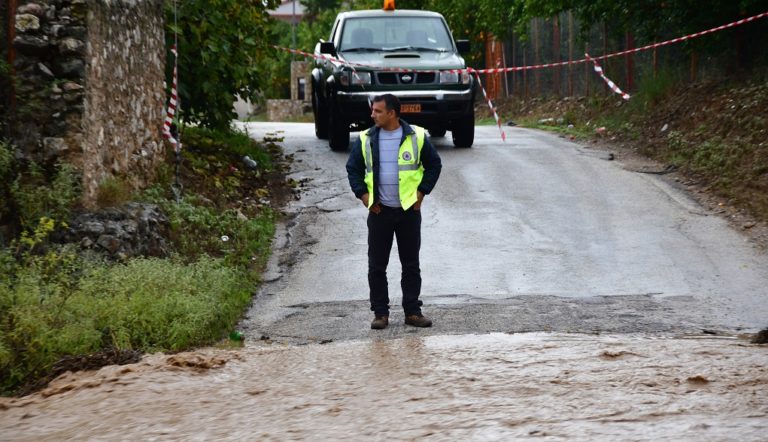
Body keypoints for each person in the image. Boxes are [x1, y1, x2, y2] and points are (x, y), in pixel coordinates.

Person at [346, 94, 442, 330]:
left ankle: (412, 312)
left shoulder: (417, 136)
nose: (372, 115)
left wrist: (421, 193)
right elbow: (353, 169)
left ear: (392, 113)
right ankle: (381, 313)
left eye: (377, 111)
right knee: (377, 266)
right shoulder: (366, 138)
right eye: (373, 110)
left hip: (409, 211)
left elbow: (434, 165)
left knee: (410, 264)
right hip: (379, 212)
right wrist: (364, 196)